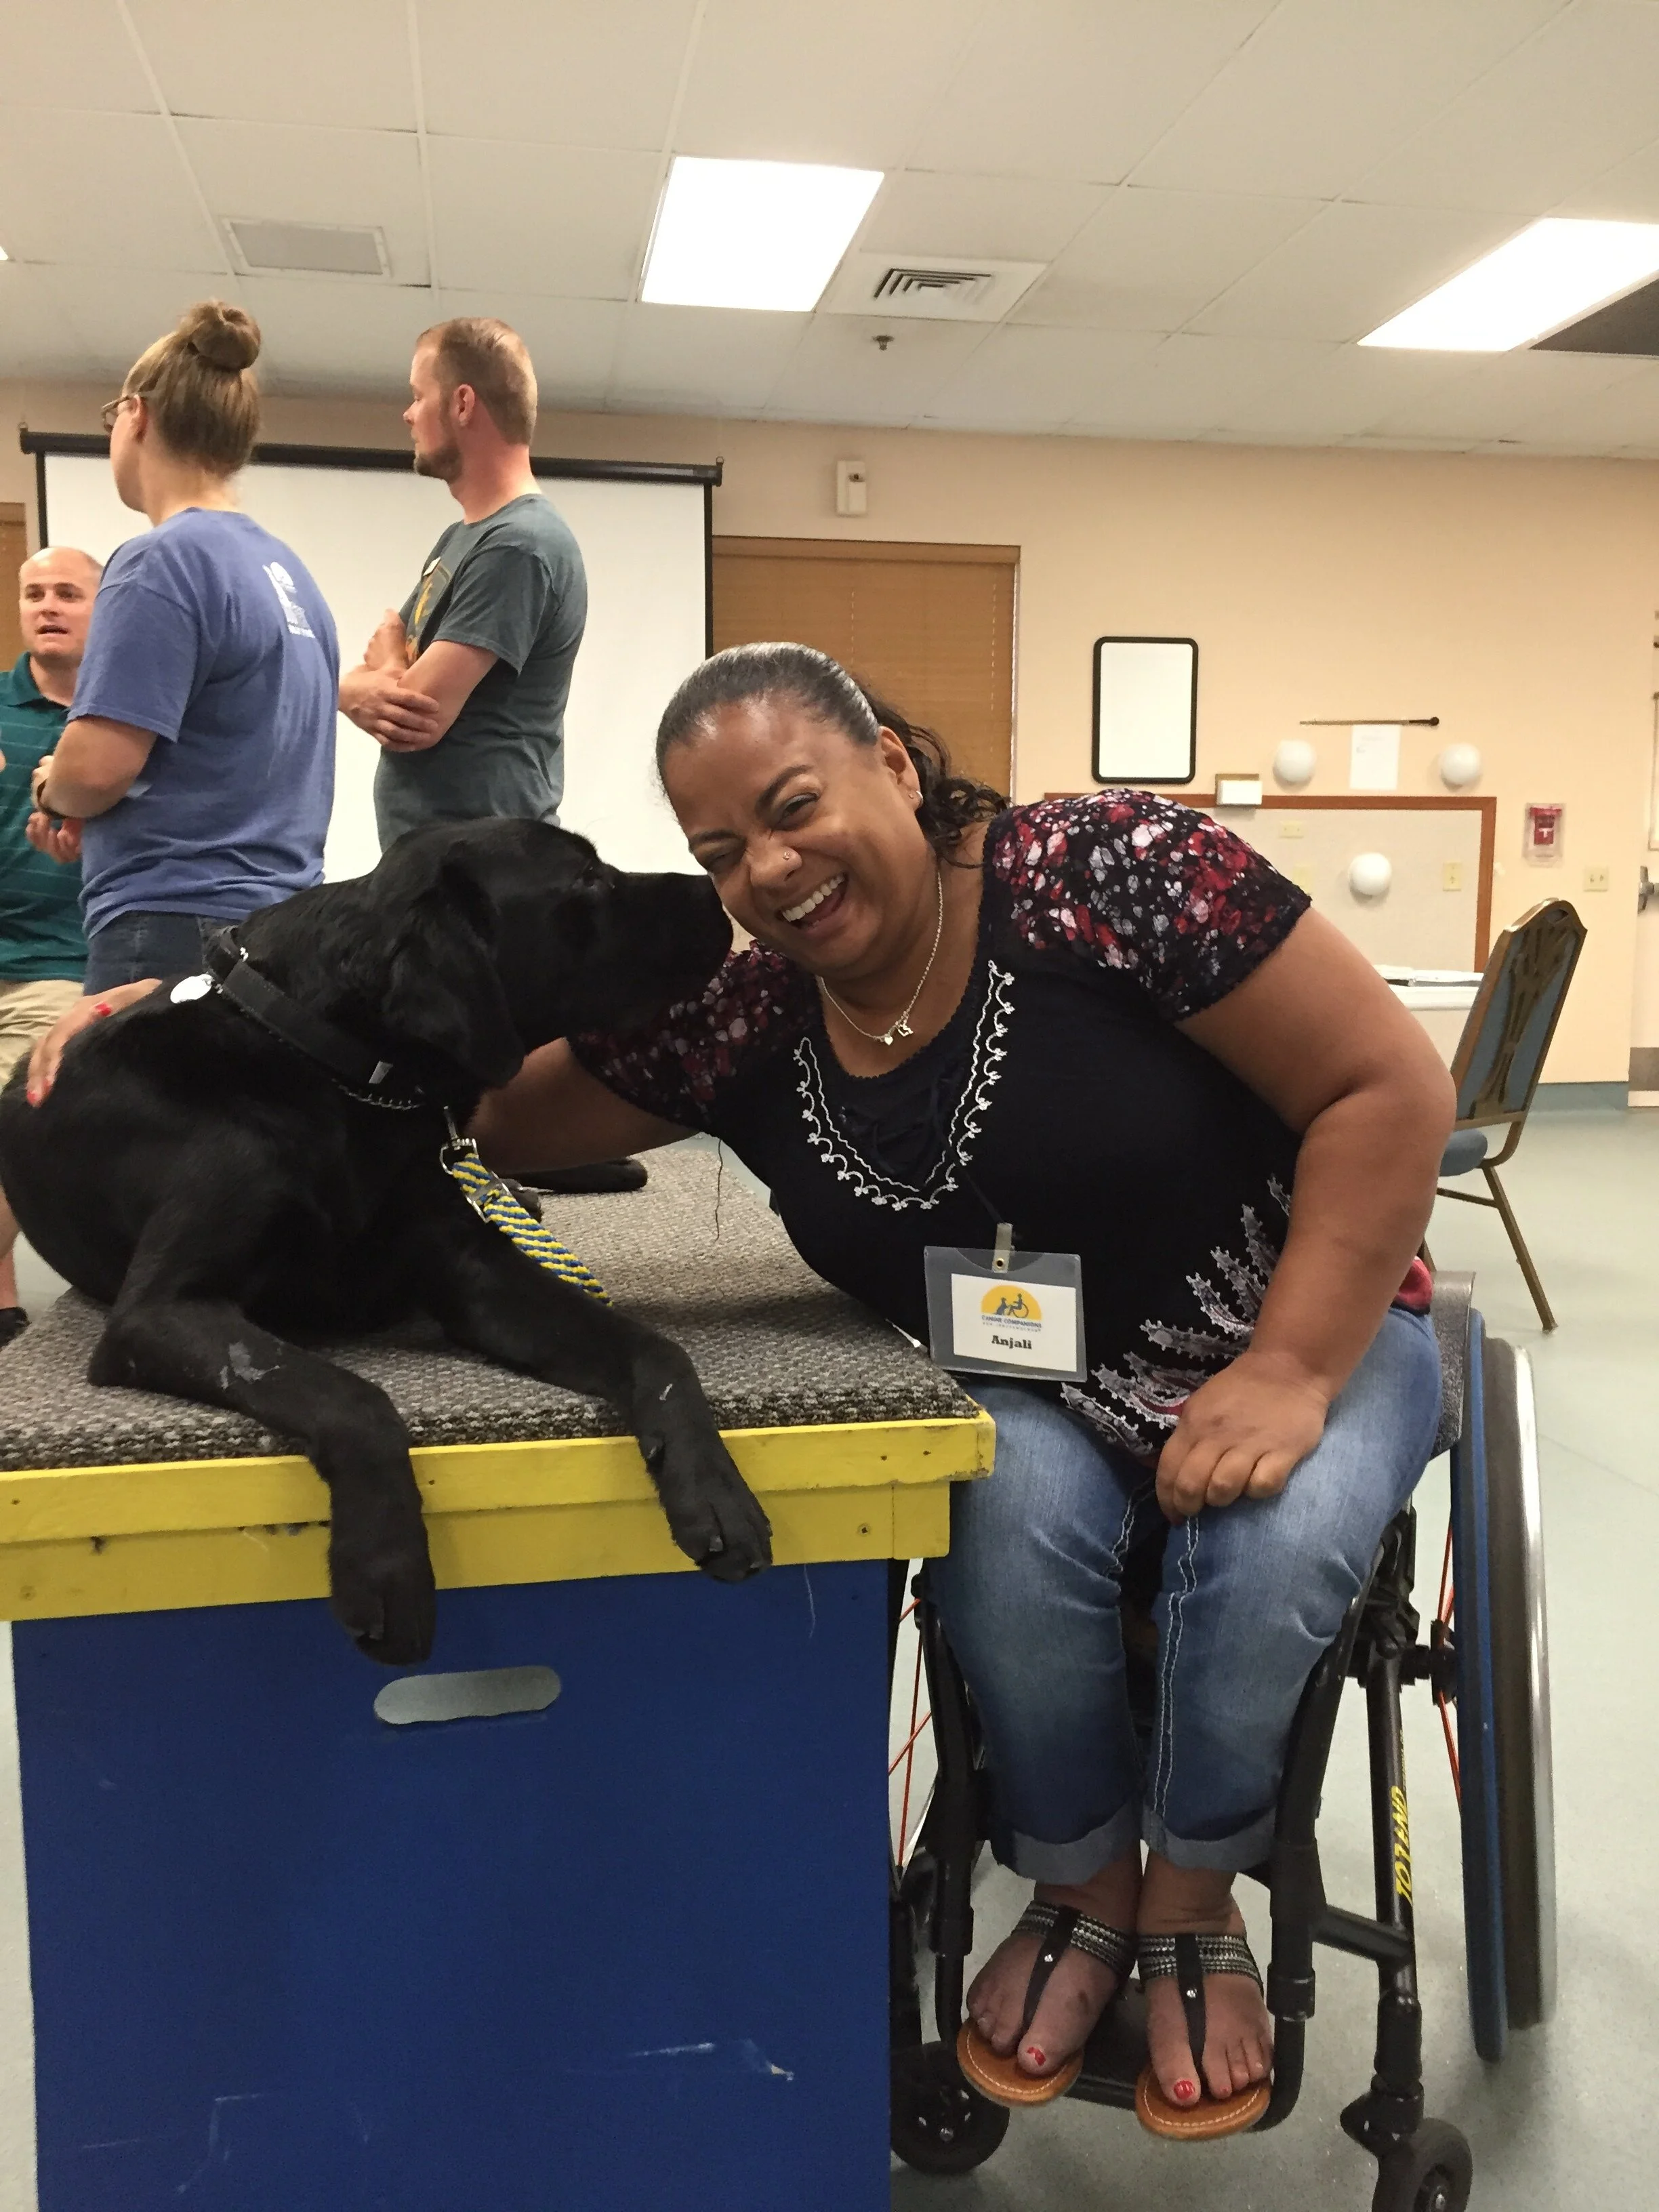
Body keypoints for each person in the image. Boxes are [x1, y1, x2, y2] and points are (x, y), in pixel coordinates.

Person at [25, 642, 1455, 2127]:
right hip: (1037, 1388)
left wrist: (1290, 1369)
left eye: (793, 806)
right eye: (722, 851)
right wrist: (198, 1007)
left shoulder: (1110, 869)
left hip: (1302, 1325)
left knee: (1273, 1544)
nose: (768, 871)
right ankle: (1080, 1883)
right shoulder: (748, 1008)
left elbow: (1388, 1088)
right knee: (996, 1518)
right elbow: (491, 1102)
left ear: (894, 764)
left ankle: (1194, 1902)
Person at [27, 300, 337, 995]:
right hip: (280, 933)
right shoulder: (292, 576)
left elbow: (98, 771)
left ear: (135, 416)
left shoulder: (159, 563)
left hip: (170, 929)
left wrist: (55, 786)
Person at [337, 317, 587, 852]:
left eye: (418, 396)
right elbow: (386, 666)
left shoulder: (518, 545)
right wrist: (360, 685)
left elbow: (413, 716)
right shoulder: (463, 539)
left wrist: (380, 673)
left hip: (487, 877)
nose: (407, 414)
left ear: (463, 404)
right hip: (446, 869)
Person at [0, 546, 100, 1346]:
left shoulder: (115, 719)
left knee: (11, 1115)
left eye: (68, 592)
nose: (48, 605)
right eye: (34, 593)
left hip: (62, 963)